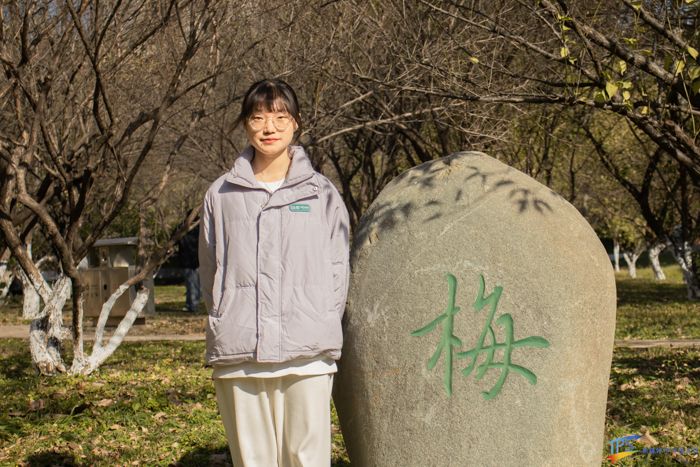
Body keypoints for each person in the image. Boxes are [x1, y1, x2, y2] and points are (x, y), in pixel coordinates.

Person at [199, 78, 350, 466]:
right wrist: (226, 316)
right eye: (258, 117)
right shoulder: (220, 194)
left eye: (280, 117)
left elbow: (338, 269)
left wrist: (320, 319)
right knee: (253, 460)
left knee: (307, 459)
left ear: (296, 122)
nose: (270, 127)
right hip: (241, 351)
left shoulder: (321, 193)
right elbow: (210, 271)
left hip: (307, 351)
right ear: (245, 123)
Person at [176, 210, 201, 312]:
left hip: (185, 259)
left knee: (191, 283)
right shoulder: (200, 227)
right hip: (197, 259)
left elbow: (173, 240)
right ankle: (194, 302)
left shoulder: (181, 228)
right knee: (196, 283)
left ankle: (193, 305)